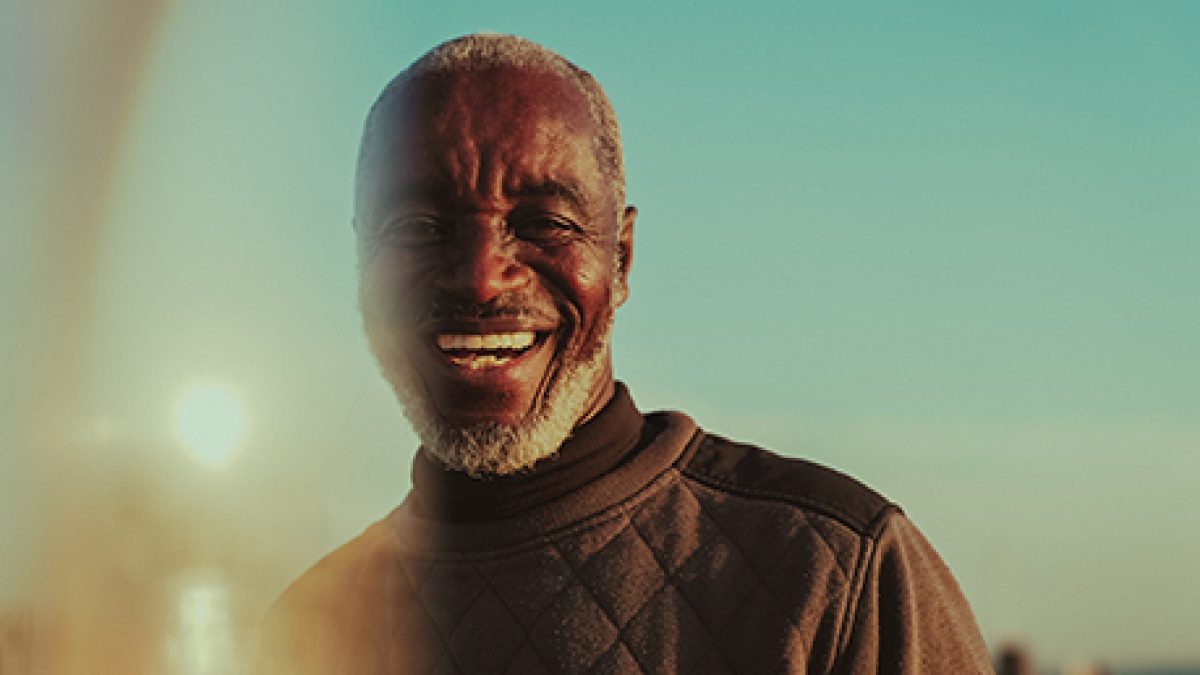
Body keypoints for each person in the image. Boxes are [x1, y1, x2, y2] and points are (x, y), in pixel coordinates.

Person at [255, 33, 992, 674]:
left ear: (624, 258)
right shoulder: (306, 628)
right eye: (417, 227)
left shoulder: (837, 575)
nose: (480, 277)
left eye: (544, 222)